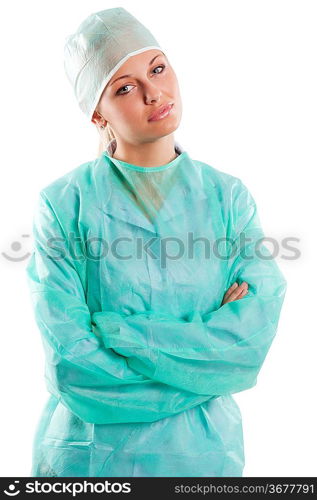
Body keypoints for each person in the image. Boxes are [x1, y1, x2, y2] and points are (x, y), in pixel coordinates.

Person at [25, 7, 287, 477]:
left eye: (158, 68)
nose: (154, 93)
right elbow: (75, 369)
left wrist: (119, 333)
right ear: (95, 112)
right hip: (89, 462)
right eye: (124, 87)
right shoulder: (63, 207)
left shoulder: (228, 198)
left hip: (203, 458)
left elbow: (246, 345)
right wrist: (203, 358)